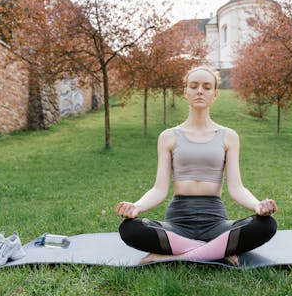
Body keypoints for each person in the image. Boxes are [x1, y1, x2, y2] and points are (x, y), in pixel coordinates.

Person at [115, 66, 278, 265]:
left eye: (206, 87)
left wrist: (257, 205)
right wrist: (137, 206)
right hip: (178, 223)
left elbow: (236, 188)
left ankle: (172, 257)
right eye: (194, 86)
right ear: (186, 92)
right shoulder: (168, 137)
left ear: (215, 94)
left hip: (216, 222)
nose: (200, 91)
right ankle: (217, 251)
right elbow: (159, 189)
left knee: (267, 225)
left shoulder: (228, 136)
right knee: (129, 229)